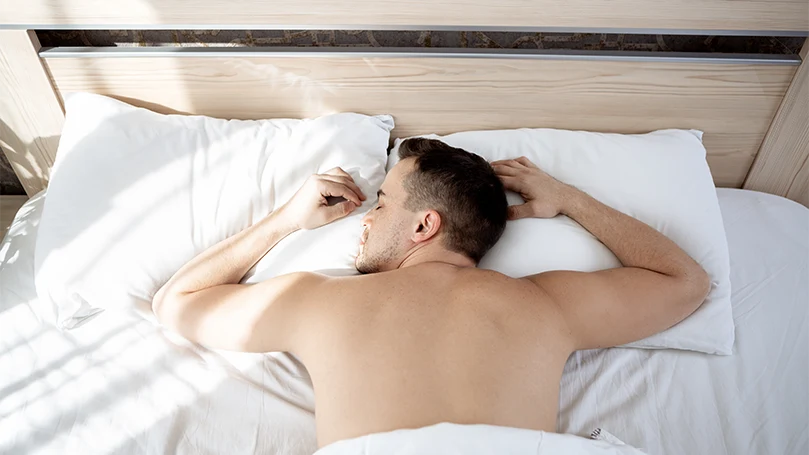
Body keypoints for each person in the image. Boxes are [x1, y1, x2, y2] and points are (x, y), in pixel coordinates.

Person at [152, 138, 710, 451]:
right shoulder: (547, 305)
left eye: (381, 205)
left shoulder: (320, 301)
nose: (365, 222)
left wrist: (285, 221)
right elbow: (684, 282)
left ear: (424, 225)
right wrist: (569, 199)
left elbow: (176, 304)